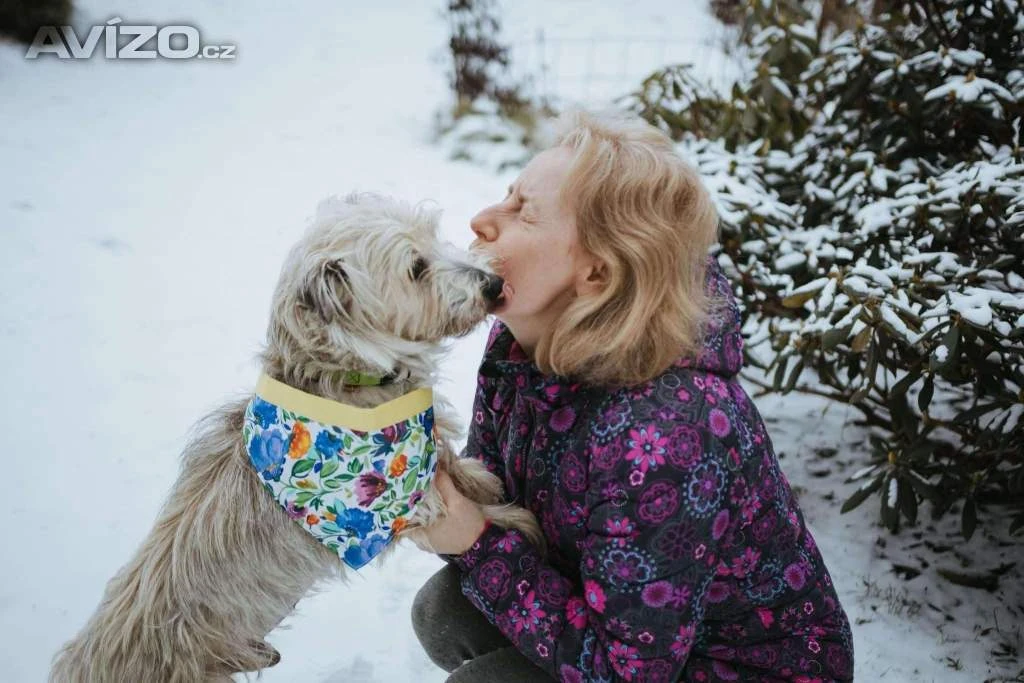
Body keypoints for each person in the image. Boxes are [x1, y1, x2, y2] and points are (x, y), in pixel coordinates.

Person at [411, 111, 854, 682]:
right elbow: (494, 493)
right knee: (444, 612)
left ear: (597, 274)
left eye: (524, 212)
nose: (481, 219)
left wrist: (473, 541)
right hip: (621, 618)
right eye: (506, 196)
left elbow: (630, 674)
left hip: (738, 670)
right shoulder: (518, 346)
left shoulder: (664, 434)